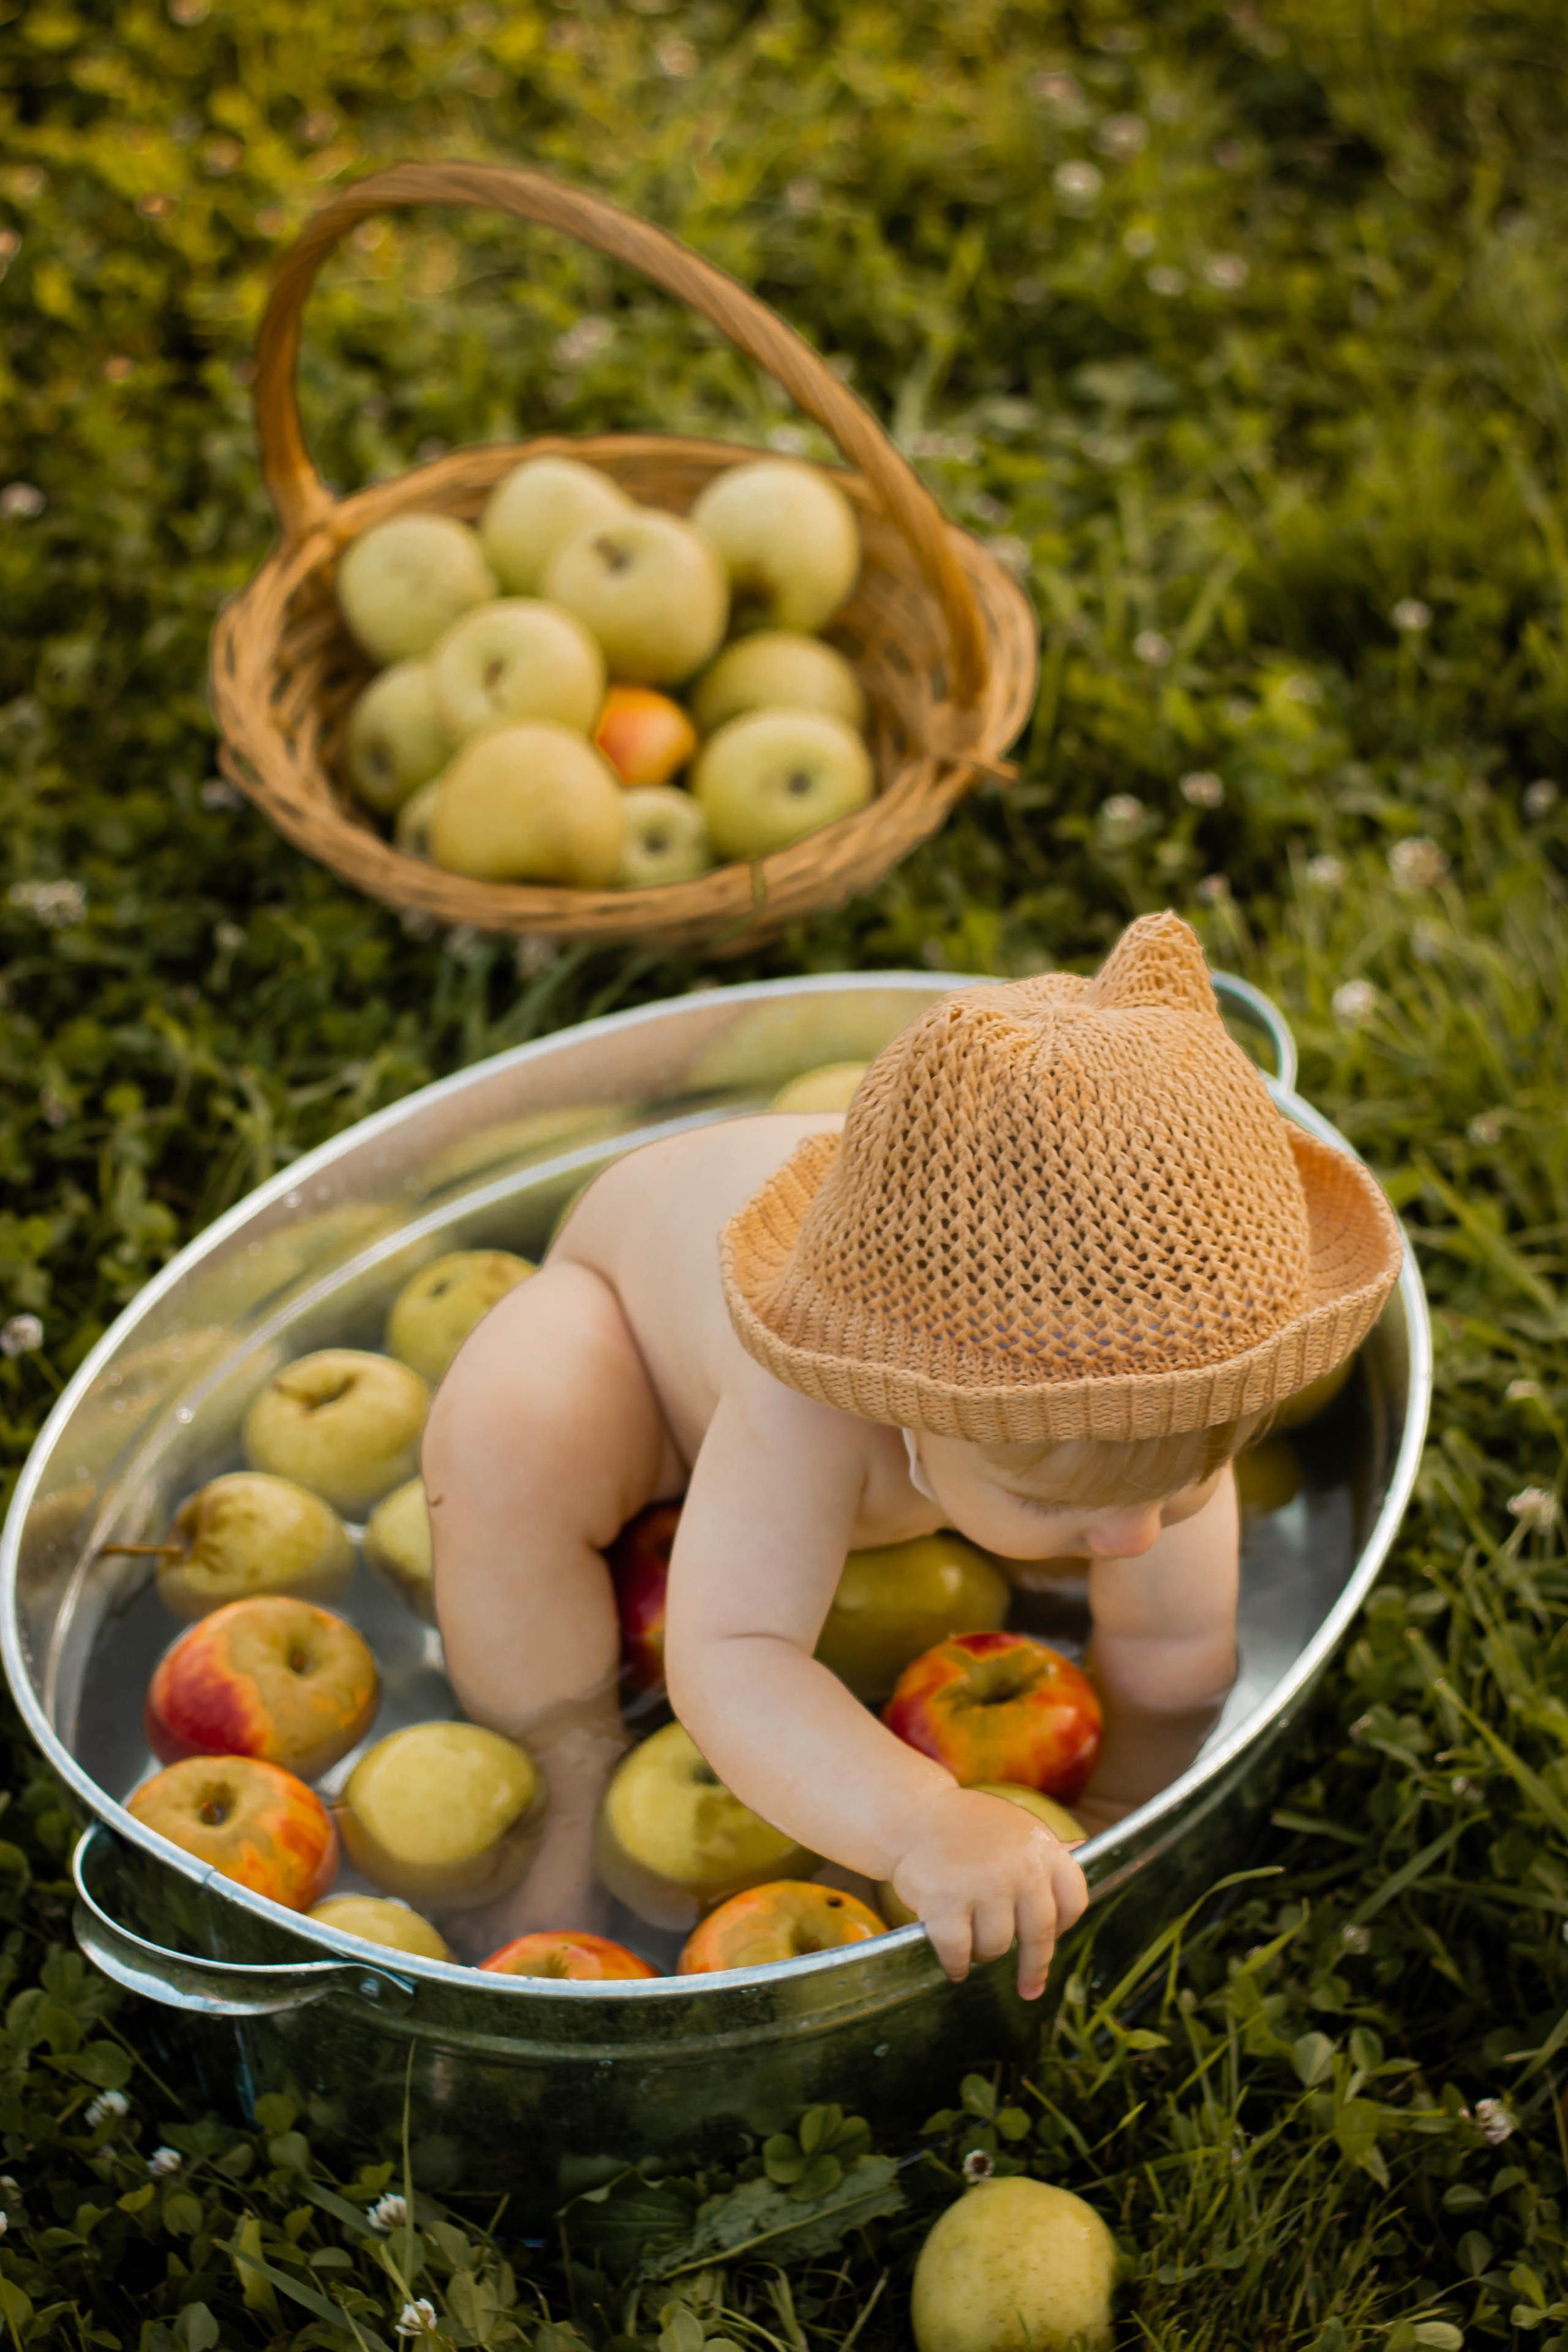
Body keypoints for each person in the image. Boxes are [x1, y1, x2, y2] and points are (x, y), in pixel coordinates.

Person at [423, 912, 1402, 1998]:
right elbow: (733, 1657)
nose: (1133, 1539)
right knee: (507, 1438)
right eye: (1052, 1504)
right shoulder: (806, 1403)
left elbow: (1177, 1657)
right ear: (901, 1409)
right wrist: (923, 1823)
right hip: (638, 1354)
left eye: (1186, 1485)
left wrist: (1119, 1813)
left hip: (969, 1267)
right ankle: (561, 1790)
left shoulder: (1174, 1394)